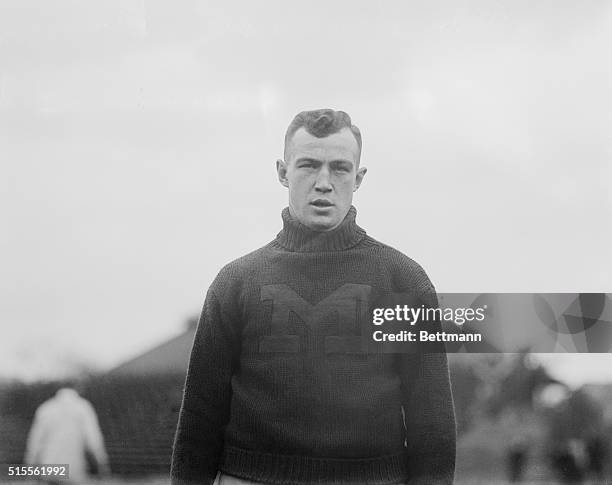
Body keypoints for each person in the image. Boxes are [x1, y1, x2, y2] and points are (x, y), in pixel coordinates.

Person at [171, 109, 456, 484]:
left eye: (339, 168)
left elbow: (431, 422)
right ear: (282, 171)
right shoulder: (235, 282)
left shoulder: (403, 280)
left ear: (359, 178)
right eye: (308, 165)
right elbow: (199, 420)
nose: (324, 182)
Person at [24, 387, 110, 484]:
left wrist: (30, 465)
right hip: (74, 469)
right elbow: (93, 440)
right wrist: (101, 463)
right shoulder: (83, 408)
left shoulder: (46, 408)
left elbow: (35, 442)